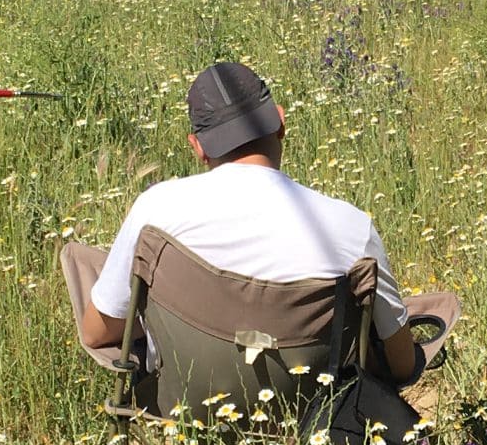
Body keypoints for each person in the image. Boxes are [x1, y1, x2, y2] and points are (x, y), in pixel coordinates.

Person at [65, 60, 455, 383]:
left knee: (91, 267)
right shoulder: (350, 229)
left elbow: (98, 334)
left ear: (198, 148)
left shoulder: (155, 212)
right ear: (281, 123)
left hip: (185, 396)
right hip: (316, 406)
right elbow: (402, 366)